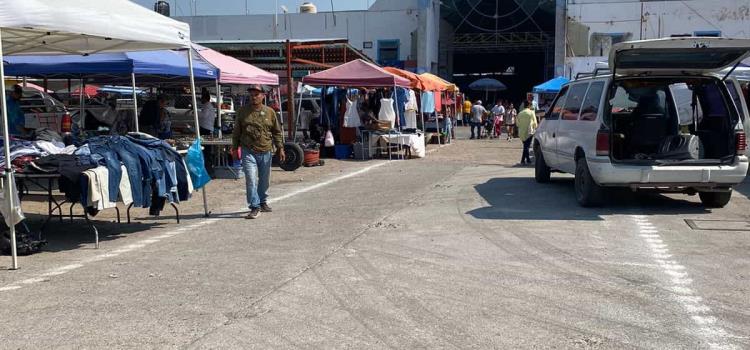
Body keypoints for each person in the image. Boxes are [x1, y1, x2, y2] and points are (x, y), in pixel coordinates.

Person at [232, 85, 285, 219]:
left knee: (264, 180)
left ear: (263, 96)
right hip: (248, 150)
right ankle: (254, 206)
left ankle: (262, 201)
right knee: (251, 179)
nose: (253, 97)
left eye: (256, 94)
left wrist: (280, 148)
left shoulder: (270, 112)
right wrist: (234, 148)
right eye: (251, 95)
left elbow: (277, 132)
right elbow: (237, 131)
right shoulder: (243, 112)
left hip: (266, 150)